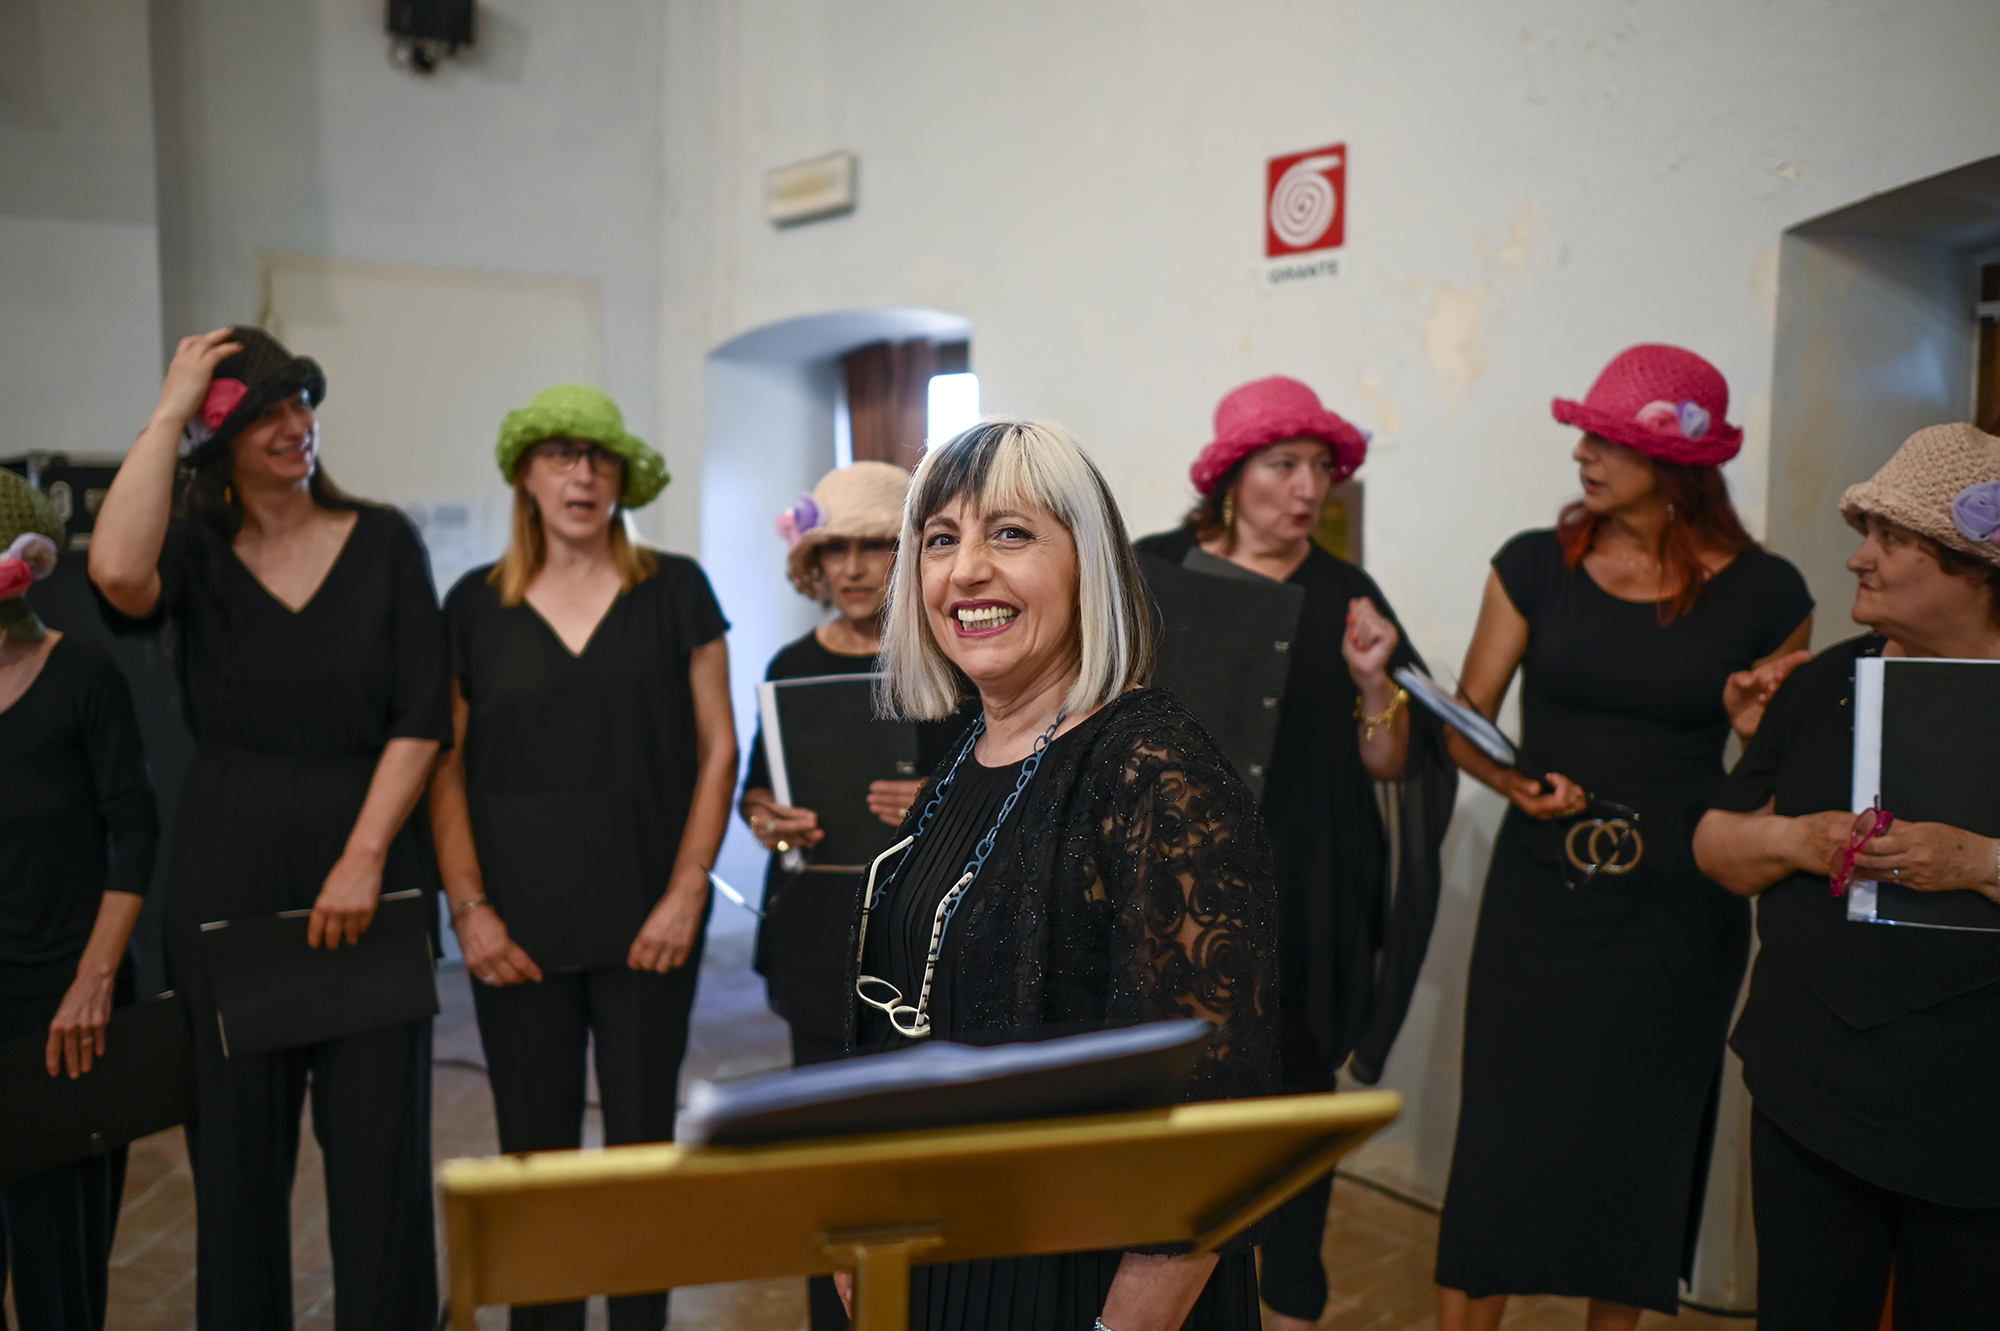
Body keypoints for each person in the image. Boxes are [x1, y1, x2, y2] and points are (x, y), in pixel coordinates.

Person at [849, 418, 1279, 1331]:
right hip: (944, 1256)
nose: (965, 571)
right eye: (939, 539)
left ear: (1089, 566)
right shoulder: (977, 748)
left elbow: (1207, 1116)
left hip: (1075, 1285)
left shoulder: (1157, 773)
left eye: (1011, 533)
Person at [1433, 345, 1815, 1331]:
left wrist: (1742, 728)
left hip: (1676, 910)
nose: (1582, 453)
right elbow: (1462, 718)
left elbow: (1774, 775)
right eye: (1584, 432)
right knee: (1502, 1147)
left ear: (1675, 459)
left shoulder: (1770, 594)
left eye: (1608, 438)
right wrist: (1516, 784)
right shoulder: (1531, 563)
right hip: (1539, 903)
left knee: (1639, 1146)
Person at [89, 326, 450, 1330]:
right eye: (263, 415)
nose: (295, 427)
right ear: (217, 440)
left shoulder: (383, 539)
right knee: (238, 1172)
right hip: (229, 870)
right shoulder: (194, 553)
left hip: (367, 870)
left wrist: (364, 856)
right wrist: (169, 406)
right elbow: (114, 575)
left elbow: (422, 713)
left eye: (300, 404)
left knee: (381, 1166)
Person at [1134, 375, 1457, 1330]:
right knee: (1173, 1127)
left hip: (1308, 893)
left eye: (1322, 468)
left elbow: (1391, 761)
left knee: (1292, 1125)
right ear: (1233, 475)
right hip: (1174, 904)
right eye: (1285, 465)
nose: (1308, 487)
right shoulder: (1157, 570)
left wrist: (1372, 684)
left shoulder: (1347, 593)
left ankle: (1292, 1303)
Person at [429, 383, 735, 1331]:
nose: (583, 472)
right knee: (537, 1159)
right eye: (561, 454)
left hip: (650, 915)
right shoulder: (474, 604)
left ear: (622, 479)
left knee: (644, 1154)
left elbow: (719, 746)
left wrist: (689, 891)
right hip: (515, 926)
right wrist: (470, 911)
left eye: (599, 457)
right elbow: (443, 762)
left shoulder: (675, 587)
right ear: (525, 472)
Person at [1693, 423, 2000, 1331]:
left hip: (1976, 1110)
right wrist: (1798, 839)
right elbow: (1714, 841)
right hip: (1809, 1086)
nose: (1857, 559)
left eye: (1889, 539)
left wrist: (1981, 860)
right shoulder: (1825, 681)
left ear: (1973, 565)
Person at [736, 461, 976, 1331]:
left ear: (909, 553)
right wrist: (767, 816)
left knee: (914, 1157)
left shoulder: (949, 651)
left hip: (920, 941)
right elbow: (756, 788)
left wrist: (934, 802)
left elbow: (1000, 781)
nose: (852, 567)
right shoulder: (788, 662)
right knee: (825, 1158)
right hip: (813, 934)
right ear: (812, 565)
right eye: (833, 549)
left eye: (875, 545)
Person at [0, 471, 157, 1331]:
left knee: (60, 1255)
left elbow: (135, 829)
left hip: (66, 1003)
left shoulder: (80, 671)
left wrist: (95, 978)